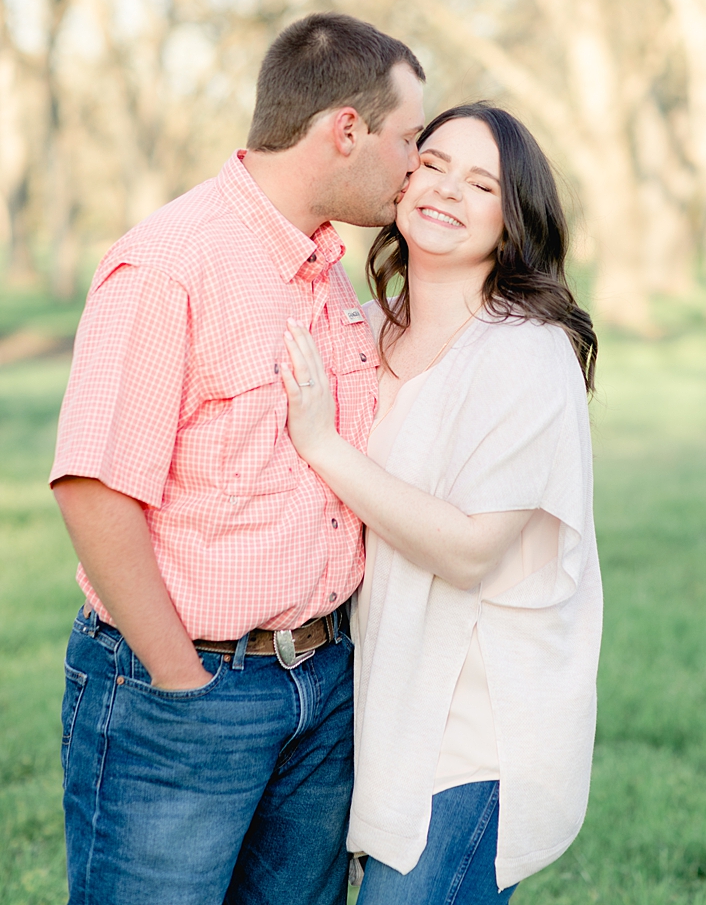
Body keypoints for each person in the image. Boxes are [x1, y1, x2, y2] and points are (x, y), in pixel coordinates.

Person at [49, 12, 426, 905]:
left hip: (322, 687)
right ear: (345, 130)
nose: (416, 164)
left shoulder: (328, 270)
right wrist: (181, 680)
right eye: (409, 138)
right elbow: (94, 490)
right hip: (187, 692)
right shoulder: (171, 264)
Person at [280, 102, 603, 904]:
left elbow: (469, 548)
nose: (448, 190)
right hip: (368, 708)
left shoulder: (525, 353)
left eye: (482, 182)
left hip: (472, 736)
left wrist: (325, 445)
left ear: (512, 218)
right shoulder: (361, 331)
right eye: (433, 164)